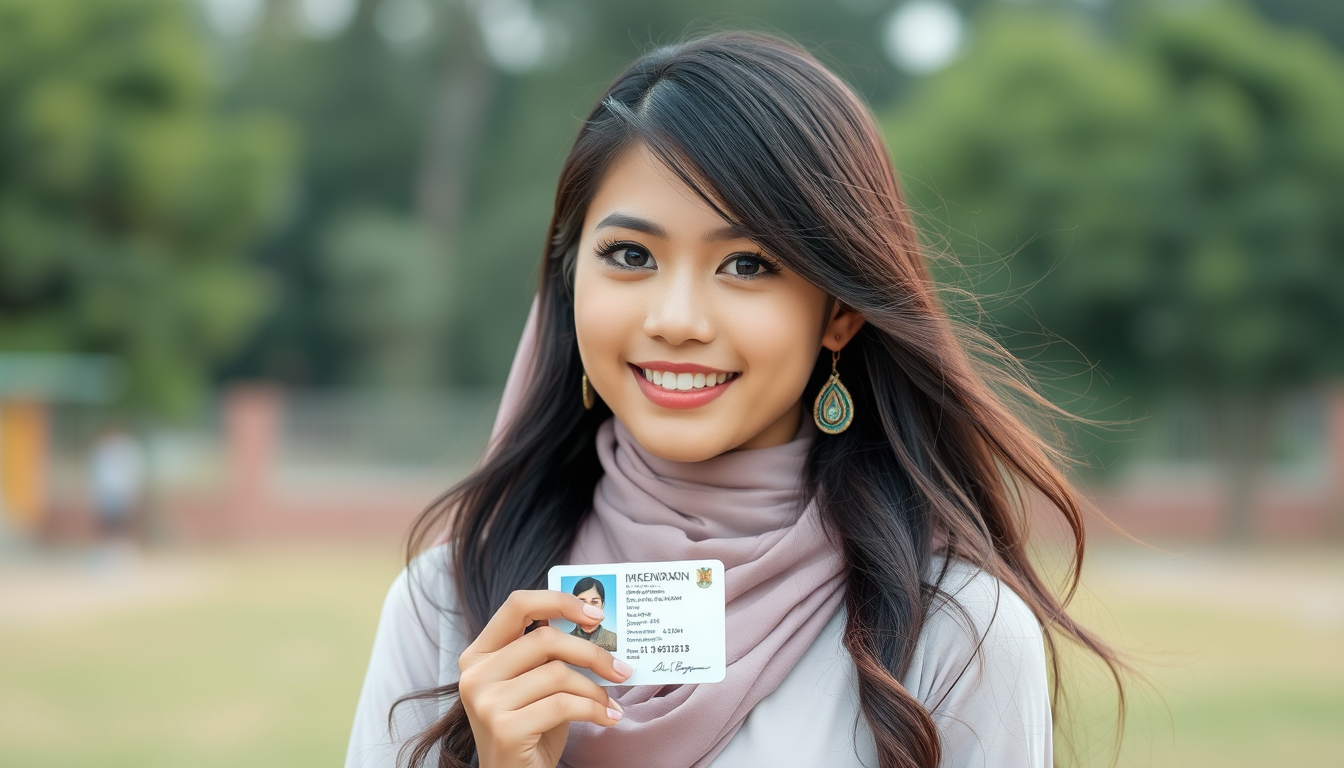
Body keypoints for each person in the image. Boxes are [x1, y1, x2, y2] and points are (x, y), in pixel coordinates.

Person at [345, 32, 1124, 768]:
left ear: (840, 311)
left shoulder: (958, 634)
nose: (676, 319)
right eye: (629, 255)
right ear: (570, 280)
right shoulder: (446, 606)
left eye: (748, 264)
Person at [568, 577, 617, 652]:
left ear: (602, 605)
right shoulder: (566, 640)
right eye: (582, 602)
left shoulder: (615, 640)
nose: (589, 609)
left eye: (594, 602)